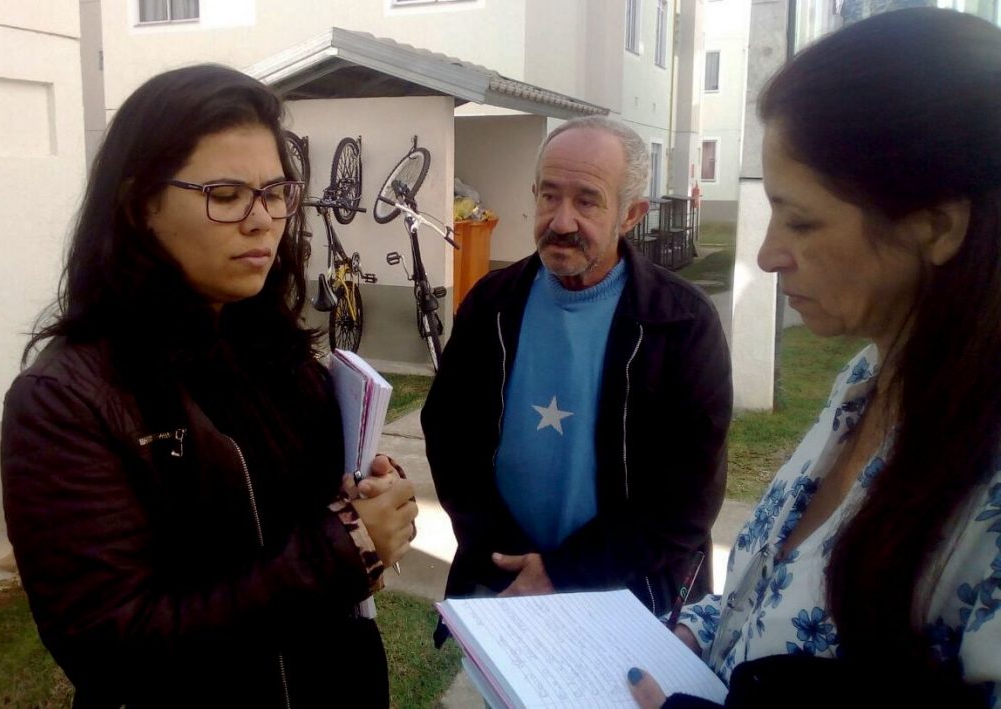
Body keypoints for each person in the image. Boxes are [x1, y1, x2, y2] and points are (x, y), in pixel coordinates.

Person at [0, 65, 418, 707]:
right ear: (140, 205)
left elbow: (292, 510)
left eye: (275, 191)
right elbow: (109, 646)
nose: (262, 220)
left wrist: (365, 490)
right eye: (225, 194)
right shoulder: (66, 399)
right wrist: (343, 552)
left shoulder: (271, 346)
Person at [625, 8, 1001, 707]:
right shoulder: (866, 381)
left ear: (937, 225)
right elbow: (769, 594)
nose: (768, 255)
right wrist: (696, 633)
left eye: (799, 220)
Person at [422, 115, 732, 640]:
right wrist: (507, 559)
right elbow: (450, 438)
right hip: (505, 589)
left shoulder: (681, 323)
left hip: (627, 602)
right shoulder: (493, 303)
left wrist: (563, 572)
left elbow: (687, 500)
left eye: (587, 201)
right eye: (549, 196)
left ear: (630, 214)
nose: (561, 220)